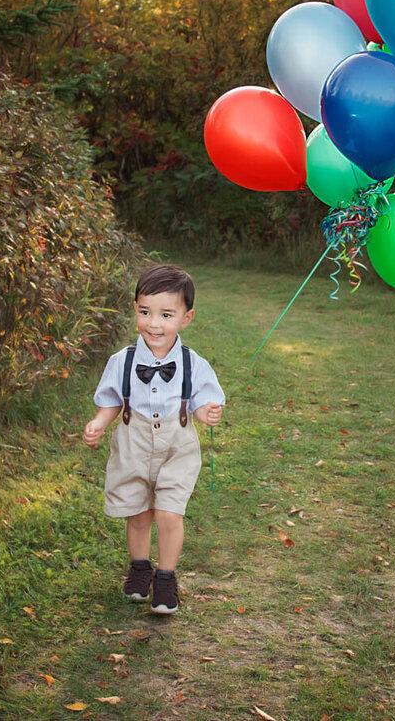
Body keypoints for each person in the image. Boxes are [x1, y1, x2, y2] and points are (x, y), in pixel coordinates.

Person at [83, 264, 224, 615]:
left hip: (177, 445)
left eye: (165, 315)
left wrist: (206, 413)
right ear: (135, 310)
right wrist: (100, 422)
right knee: (138, 513)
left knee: (168, 513)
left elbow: (205, 402)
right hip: (134, 441)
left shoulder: (194, 364)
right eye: (145, 312)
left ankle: (165, 578)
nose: (154, 324)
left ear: (186, 318)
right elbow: (113, 399)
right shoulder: (123, 360)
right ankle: (139, 569)